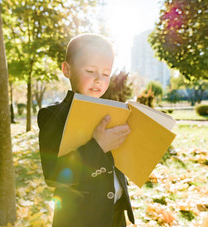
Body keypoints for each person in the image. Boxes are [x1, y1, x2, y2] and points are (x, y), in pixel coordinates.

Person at [37, 34, 135, 227]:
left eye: (106, 74)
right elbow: (53, 175)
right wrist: (97, 146)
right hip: (79, 220)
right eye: (90, 70)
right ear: (67, 69)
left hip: (115, 216)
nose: (99, 80)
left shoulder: (112, 112)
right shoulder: (53, 115)